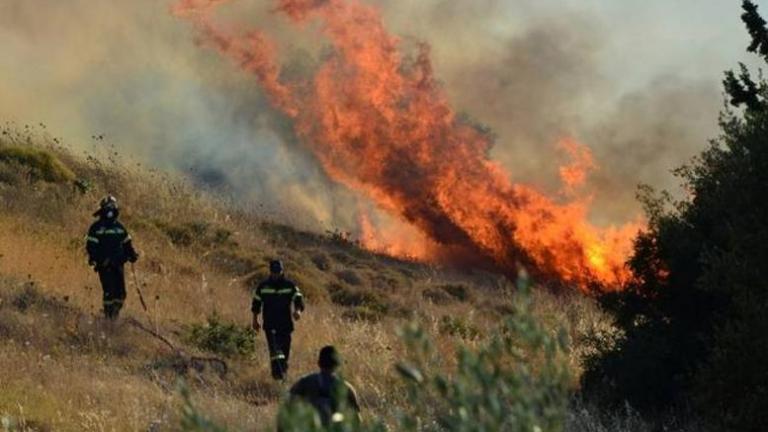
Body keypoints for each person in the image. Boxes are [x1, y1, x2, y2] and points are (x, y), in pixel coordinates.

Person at [85, 195, 138, 320]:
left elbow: (127, 244)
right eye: (107, 207)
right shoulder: (96, 228)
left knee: (121, 293)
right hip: (104, 265)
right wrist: (96, 259)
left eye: (112, 207)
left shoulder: (120, 228)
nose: (110, 210)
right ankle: (108, 317)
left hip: (118, 264)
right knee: (109, 291)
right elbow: (91, 246)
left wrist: (132, 254)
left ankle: (115, 314)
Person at [252, 259, 305, 380]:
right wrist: (255, 320)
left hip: (285, 325)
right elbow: (256, 304)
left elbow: (298, 299)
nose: (276, 274)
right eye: (274, 272)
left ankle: (282, 373)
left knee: (284, 352)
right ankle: (278, 377)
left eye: (278, 272)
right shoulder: (263, 286)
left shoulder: (289, 285)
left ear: (282, 271)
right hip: (270, 325)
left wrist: (298, 311)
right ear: (270, 272)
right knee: (275, 351)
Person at [288, 346, 361, 427]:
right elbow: (357, 421)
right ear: (337, 365)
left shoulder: (304, 382)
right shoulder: (346, 388)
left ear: (319, 363)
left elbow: (287, 410)